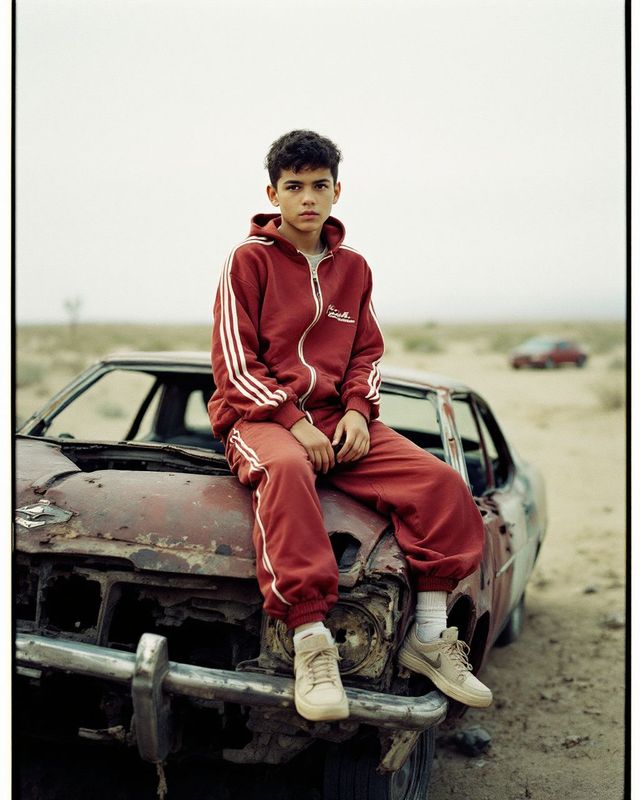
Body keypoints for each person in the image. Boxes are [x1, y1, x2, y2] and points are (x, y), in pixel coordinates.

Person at [207, 129, 492, 722]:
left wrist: (360, 411)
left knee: (441, 484)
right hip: (258, 415)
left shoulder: (354, 269)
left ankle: (431, 636)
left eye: (319, 186)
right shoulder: (248, 260)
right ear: (273, 193)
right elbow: (235, 363)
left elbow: (366, 353)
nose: (307, 198)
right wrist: (292, 419)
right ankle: (311, 643)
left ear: (338, 191)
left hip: (342, 418)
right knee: (286, 469)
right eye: (294, 187)